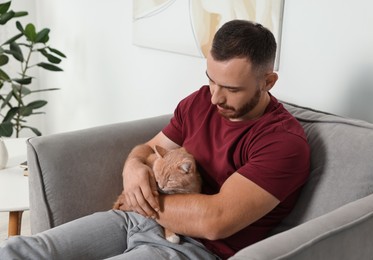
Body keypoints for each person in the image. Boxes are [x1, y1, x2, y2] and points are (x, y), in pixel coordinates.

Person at [0, 20, 310, 260]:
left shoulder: (283, 143)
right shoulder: (199, 102)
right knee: (24, 250)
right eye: (210, 80)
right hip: (131, 219)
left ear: (267, 81)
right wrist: (133, 166)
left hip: (193, 249)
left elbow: (215, 221)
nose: (215, 97)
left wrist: (140, 199)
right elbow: (149, 149)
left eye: (231, 89)